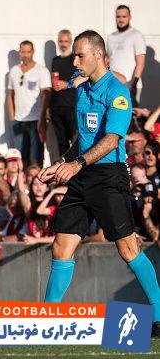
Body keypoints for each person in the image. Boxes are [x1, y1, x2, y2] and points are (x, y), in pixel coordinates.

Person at [37, 30, 160, 337]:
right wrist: (61, 163)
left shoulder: (117, 92)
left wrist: (77, 164)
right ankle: (47, 319)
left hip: (109, 176)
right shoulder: (81, 90)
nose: (74, 62)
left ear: (98, 55)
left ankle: (158, 315)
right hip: (82, 174)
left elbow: (111, 139)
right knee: (61, 247)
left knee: (128, 248)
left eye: (80, 56)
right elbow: (83, 139)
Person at [6, 41, 52, 165]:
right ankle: (23, 177)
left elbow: (46, 95)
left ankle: (38, 178)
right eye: (23, 52)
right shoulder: (14, 71)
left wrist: (42, 119)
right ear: (19, 52)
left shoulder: (41, 70)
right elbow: (10, 94)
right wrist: (12, 117)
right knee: (21, 158)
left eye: (28, 52)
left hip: (36, 120)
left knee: (37, 157)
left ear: (33, 52)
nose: (25, 55)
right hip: (18, 120)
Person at [107, 5, 146, 103]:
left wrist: (134, 84)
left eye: (124, 17)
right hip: (113, 83)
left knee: (131, 111)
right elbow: (108, 59)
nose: (121, 20)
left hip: (129, 85)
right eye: (118, 17)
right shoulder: (111, 37)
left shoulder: (136, 35)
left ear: (130, 17)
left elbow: (140, 62)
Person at [50, 30, 81, 155]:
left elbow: (82, 78)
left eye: (66, 41)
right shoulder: (56, 60)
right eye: (61, 41)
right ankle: (62, 165)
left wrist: (66, 84)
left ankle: (75, 165)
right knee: (61, 142)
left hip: (71, 106)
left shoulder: (76, 59)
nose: (63, 44)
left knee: (74, 140)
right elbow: (54, 81)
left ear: (71, 42)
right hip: (56, 107)